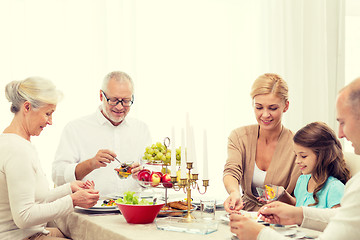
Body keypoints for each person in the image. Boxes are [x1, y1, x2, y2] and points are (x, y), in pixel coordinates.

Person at [229, 77, 360, 240]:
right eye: (259, 107)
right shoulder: (305, 180)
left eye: (343, 122)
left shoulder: (343, 188)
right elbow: (339, 217)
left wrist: (260, 234)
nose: (340, 134)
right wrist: (296, 213)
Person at [0, 77, 99, 240]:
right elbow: (24, 216)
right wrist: (72, 200)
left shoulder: (10, 141)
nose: (51, 121)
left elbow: (34, 199)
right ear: (27, 107)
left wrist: (69, 188)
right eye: (48, 113)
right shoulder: (18, 150)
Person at [52, 71, 151, 196]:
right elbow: (57, 176)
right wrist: (90, 164)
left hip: (133, 210)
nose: (120, 107)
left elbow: (154, 174)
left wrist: (143, 174)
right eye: (114, 100)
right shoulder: (75, 128)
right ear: (101, 96)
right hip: (89, 212)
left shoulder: (141, 129)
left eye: (126, 101)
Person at [223, 73, 301, 211]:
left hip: (282, 221)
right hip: (246, 215)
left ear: (286, 106)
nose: (265, 115)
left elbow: (304, 199)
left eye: (273, 108)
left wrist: (284, 197)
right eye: (259, 107)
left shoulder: (299, 146)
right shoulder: (239, 137)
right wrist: (234, 193)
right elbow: (231, 170)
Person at [278, 122, 350, 208]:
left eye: (303, 156)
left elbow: (336, 220)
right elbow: (301, 206)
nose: (297, 161)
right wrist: (284, 197)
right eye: (296, 155)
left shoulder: (335, 188)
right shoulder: (302, 180)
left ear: (322, 155)